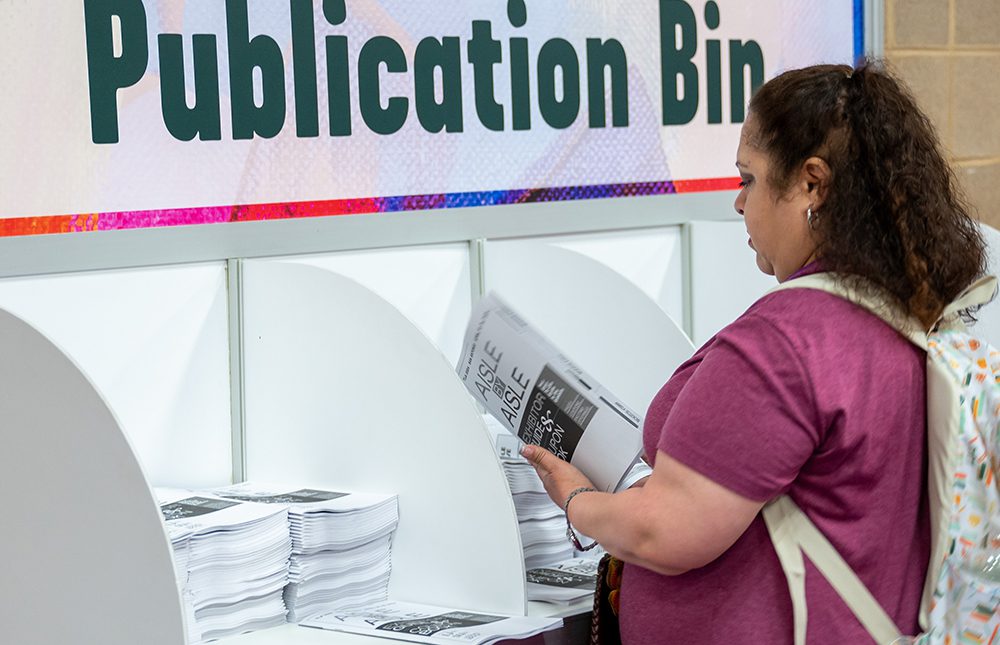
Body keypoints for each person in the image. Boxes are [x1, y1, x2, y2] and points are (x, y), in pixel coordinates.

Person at [522, 60, 987, 644]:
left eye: (749, 178)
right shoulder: (895, 313)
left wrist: (576, 500)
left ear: (812, 184)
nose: (739, 203)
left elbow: (664, 535)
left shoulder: (786, 342)